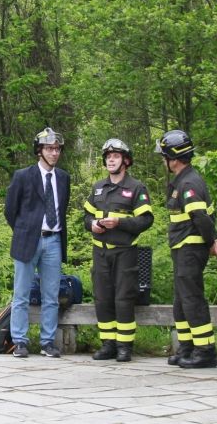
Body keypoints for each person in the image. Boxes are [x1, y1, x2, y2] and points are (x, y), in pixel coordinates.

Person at [155, 129, 217, 368]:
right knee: (181, 300)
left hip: (191, 248)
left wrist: (210, 243)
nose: (163, 160)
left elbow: (201, 217)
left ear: (173, 158)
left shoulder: (189, 182)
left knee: (192, 299)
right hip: (181, 247)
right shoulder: (181, 180)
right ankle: (186, 348)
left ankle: (205, 350)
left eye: (164, 156)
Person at [84, 139, 154, 362]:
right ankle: (108, 344)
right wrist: (92, 225)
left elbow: (146, 220)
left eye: (115, 156)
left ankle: (124, 346)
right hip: (100, 252)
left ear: (126, 160)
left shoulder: (136, 187)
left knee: (123, 299)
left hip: (125, 253)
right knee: (102, 298)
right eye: (108, 156)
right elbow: (86, 217)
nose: (110, 159)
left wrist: (120, 224)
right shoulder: (97, 188)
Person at [4, 127, 71, 358]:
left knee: (51, 296)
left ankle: (47, 342)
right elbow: (10, 210)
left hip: (53, 241)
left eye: (57, 149)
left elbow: (62, 209)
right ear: (39, 151)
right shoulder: (23, 176)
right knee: (21, 294)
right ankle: (20, 341)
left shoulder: (63, 178)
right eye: (50, 149)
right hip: (27, 240)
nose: (55, 153)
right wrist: (25, 230)